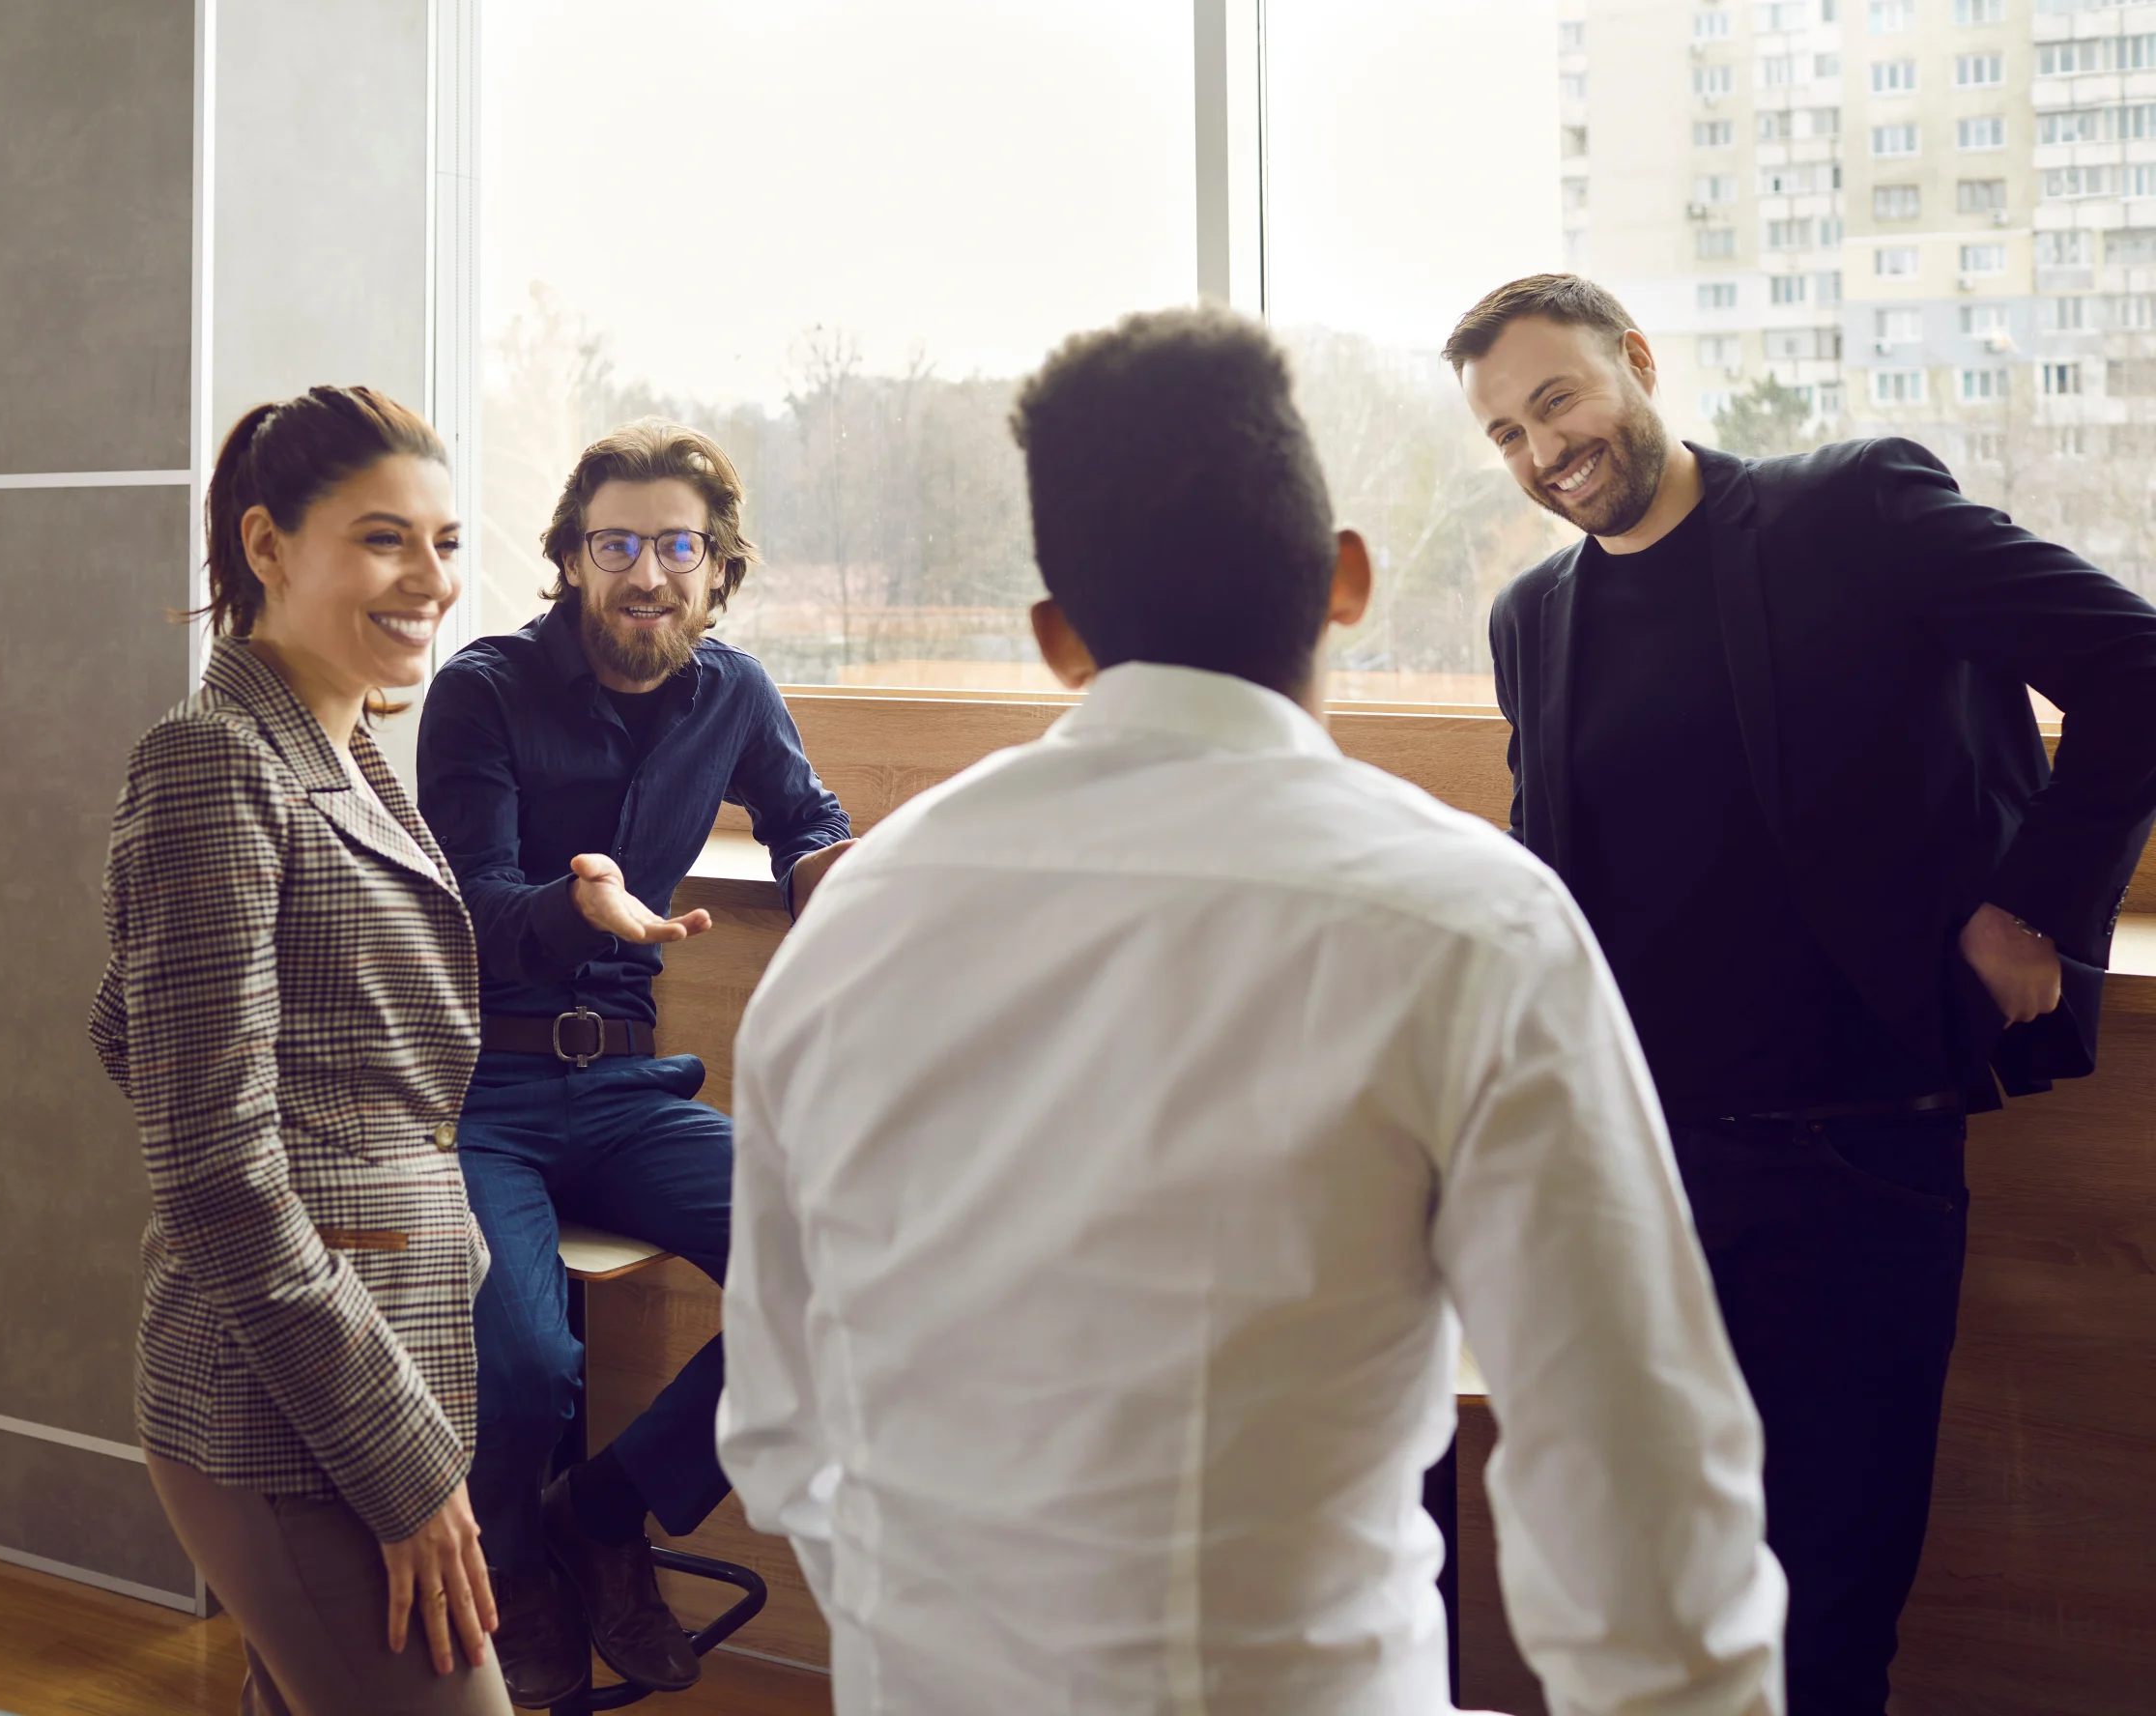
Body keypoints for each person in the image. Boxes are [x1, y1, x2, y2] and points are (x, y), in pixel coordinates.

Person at [717, 306, 1786, 1714]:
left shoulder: (857, 919)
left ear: (1055, 640)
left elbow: (782, 1429)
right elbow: (1637, 1489)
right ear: (1346, 580)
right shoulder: (1470, 918)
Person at [1446, 272, 2156, 1715]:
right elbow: (1558, 883)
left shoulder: (1856, 510)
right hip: (1634, 1174)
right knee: (1651, 1598)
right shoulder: (1532, 618)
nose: (1544, 451)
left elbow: (2135, 663)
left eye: (1559, 399)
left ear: (1635, 361)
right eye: (1508, 435)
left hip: (1857, 1155)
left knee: (1828, 1603)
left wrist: (2040, 904)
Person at [416, 418, 854, 1703]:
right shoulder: (483, 689)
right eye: (616, 544)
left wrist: (846, 873)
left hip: (625, 1092)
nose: (647, 572)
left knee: (844, 1262)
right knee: (528, 1361)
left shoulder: (737, 693)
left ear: (718, 570)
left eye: (678, 546)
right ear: (567, 557)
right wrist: (577, 902)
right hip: (484, 1087)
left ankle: (602, 1516)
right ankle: (514, 1575)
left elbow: (807, 825)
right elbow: (473, 904)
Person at [90, 386, 510, 1714]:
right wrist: (406, 1470)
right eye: (385, 540)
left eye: (446, 543)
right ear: (266, 548)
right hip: (289, 1405)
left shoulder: (351, 754)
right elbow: (212, 1164)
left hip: (381, 1342)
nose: (429, 580)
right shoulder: (215, 763)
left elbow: (133, 1025)